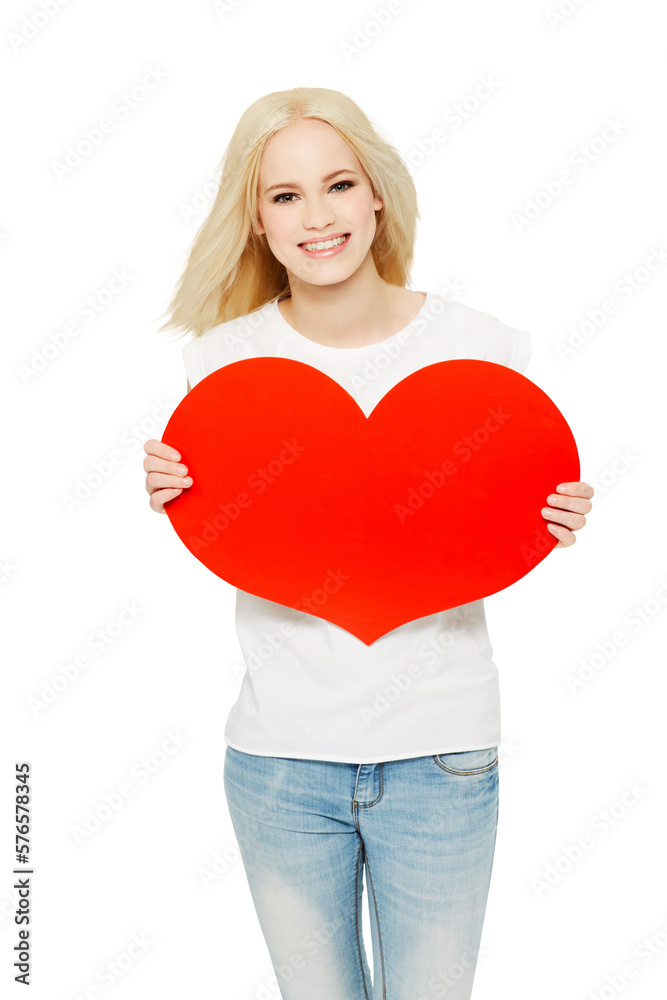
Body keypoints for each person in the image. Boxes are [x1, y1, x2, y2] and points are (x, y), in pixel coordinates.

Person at [143, 88, 594, 1000]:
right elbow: (238, 527)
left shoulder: (480, 349)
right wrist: (181, 495)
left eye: (338, 184)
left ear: (376, 195)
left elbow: (492, 512)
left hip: (440, 756)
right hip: (279, 761)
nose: (318, 216)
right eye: (285, 195)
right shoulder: (220, 368)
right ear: (257, 221)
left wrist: (550, 511)